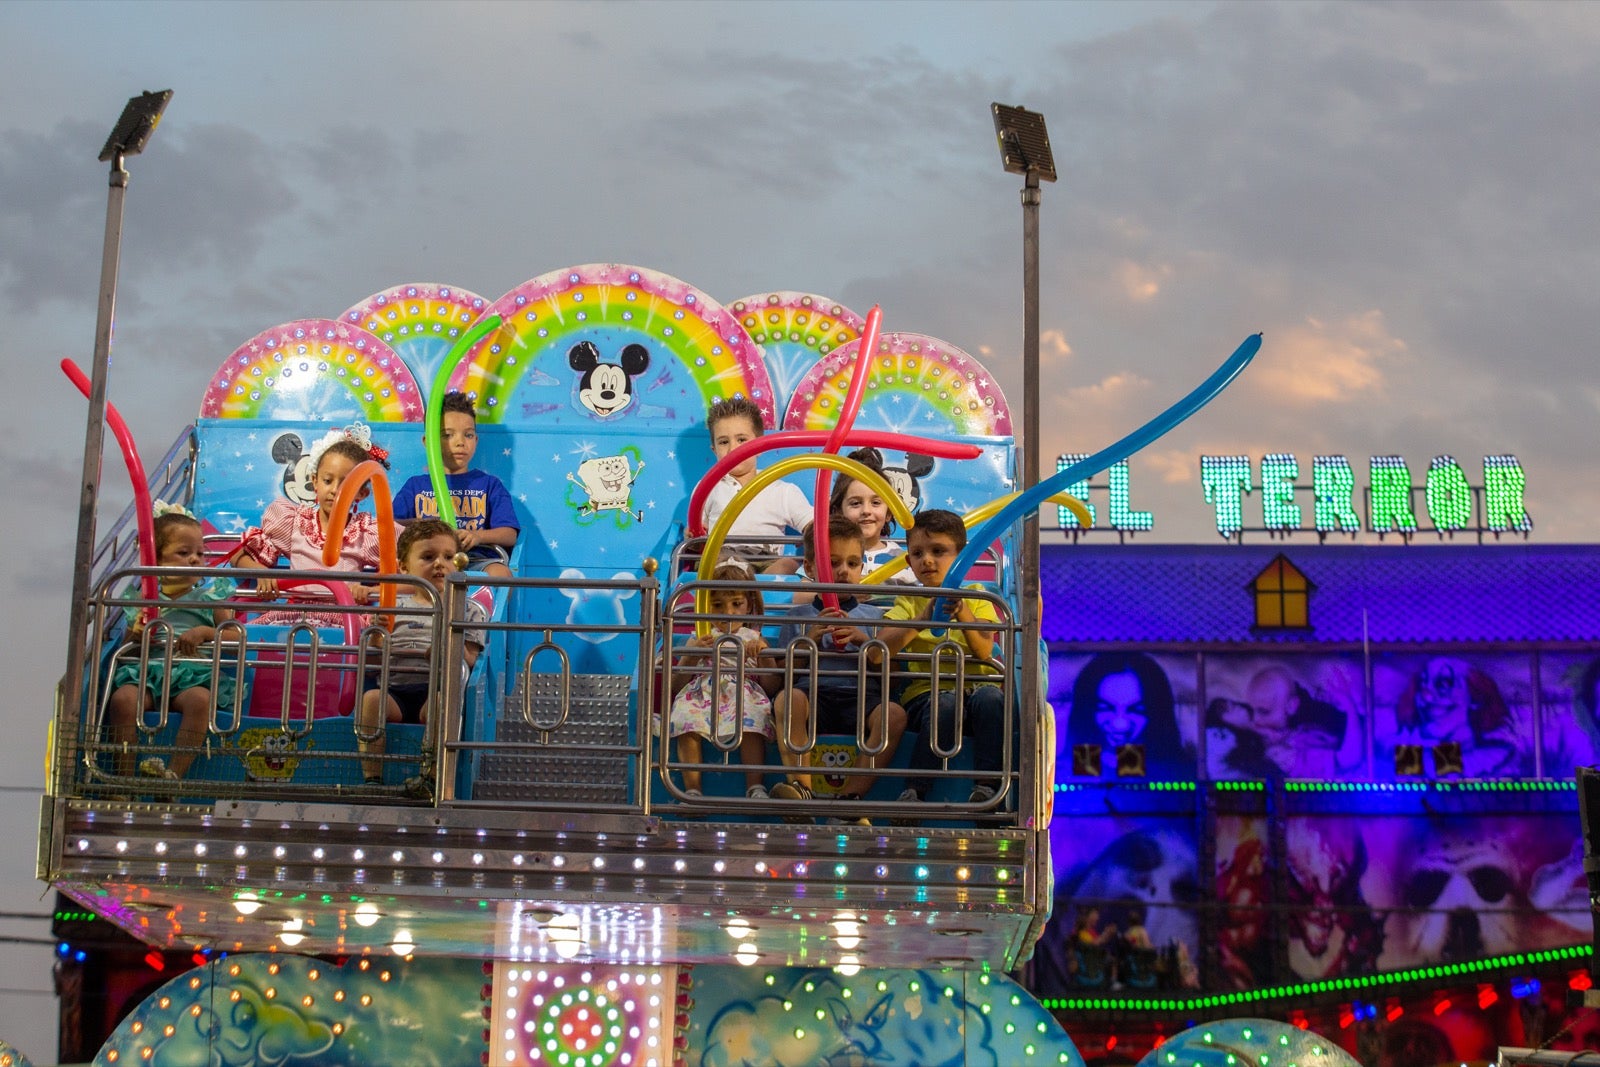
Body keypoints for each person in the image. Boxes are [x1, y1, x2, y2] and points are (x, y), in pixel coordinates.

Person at [769, 516, 908, 824]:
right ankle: (800, 792)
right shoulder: (798, 615)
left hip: (862, 699)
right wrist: (807, 644)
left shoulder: (875, 615)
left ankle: (850, 801)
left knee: (894, 714)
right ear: (810, 568)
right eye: (833, 563)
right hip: (813, 695)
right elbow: (782, 677)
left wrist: (867, 643)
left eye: (853, 563)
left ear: (861, 568)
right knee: (787, 699)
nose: (844, 571)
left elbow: (893, 674)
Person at [873, 509, 1012, 809]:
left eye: (938, 551)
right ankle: (915, 791)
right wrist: (922, 619)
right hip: (927, 695)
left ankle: (987, 788)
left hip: (975, 692)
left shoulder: (979, 597)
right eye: (918, 553)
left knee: (991, 698)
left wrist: (963, 612)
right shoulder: (909, 601)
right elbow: (877, 651)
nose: (927, 560)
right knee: (946, 701)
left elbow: (985, 651)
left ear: (962, 557)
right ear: (908, 560)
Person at [106, 505, 239, 782]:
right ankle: (123, 776)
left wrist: (205, 632)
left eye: (200, 554)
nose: (194, 560)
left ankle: (173, 774)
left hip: (191, 674)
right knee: (123, 700)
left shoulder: (210, 595)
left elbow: (235, 637)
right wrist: (138, 634)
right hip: (148, 671)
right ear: (156, 558)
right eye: (183, 553)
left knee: (201, 702)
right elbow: (127, 643)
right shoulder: (143, 597)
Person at [356, 519, 486, 789]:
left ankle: (431, 778)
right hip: (395, 692)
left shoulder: (469, 609)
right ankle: (372, 779)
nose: (440, 563)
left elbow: (470, 661)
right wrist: (377, 638)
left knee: (442, 703)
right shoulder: (391, 606)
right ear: (404, 566)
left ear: (461, 562)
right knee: (370, 700)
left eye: (448, 557)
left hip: (436, 691)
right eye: (428, 557)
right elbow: (370, 664)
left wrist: (447, 640)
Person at [234, 424, 388, 625]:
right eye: (327, 480)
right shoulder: (294, 523)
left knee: (373, 642)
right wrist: (263, 575)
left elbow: (405, 570)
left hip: (343, 618)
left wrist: (370, 591)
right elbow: (238, 556)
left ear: (362, 493)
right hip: (296, 615)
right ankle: (208, 635)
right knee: (244, 633)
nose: (335, 490)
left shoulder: (365, 533)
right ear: (314, 481)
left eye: (346, 484)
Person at [660, 562, 775, 801]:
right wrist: (692, 654)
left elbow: (772, 685)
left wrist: (764, 655)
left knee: (753, 718)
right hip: (702, 693)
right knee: (684, 717)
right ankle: (693, 789)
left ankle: (755, 786)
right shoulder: (699, 638)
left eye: (736, 604)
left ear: (749, 604)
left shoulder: (754, 638)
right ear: (705, 607)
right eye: (718, 605)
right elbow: (675, 685)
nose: (728, 613)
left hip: (742, 692)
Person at [392, 391, 519, 579]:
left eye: (468, 435)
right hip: (427, 564)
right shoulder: (415, 486)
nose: (460, 443)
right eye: (448, 435)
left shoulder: (489, 485)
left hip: (473, 561)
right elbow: (389, 525)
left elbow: (509, 534)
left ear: (476, 441)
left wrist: (478, 536)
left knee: (501, 573)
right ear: (428, 442)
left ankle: (475, 609)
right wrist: (420, 526)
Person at [699, 396, 811, 573]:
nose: (733, 449)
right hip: (723, 563)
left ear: (760, 446)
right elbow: (696, 534)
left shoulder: (782, 491)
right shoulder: (706, 488)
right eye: (723, 442)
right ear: (714, 449)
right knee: (713, 564)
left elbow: (813, 526)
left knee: (788, 564)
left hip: (766, 562)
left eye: (742, 440)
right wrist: (691, 535)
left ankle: (758, 594)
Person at [1065, 652, 1187, 778]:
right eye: (1105, 709)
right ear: (1086, 710)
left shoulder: (1177, 773)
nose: (1120, 724)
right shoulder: (1065, 770)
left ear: (1157, 714)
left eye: (1136, 710)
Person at [827, 447, 915, 584]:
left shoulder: (902, 558)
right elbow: (800, 595)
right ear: (838, 511)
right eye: (855, 503)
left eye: (875, 502)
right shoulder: (828, 552)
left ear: (889, 513)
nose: (866, 511)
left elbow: (914, 600)